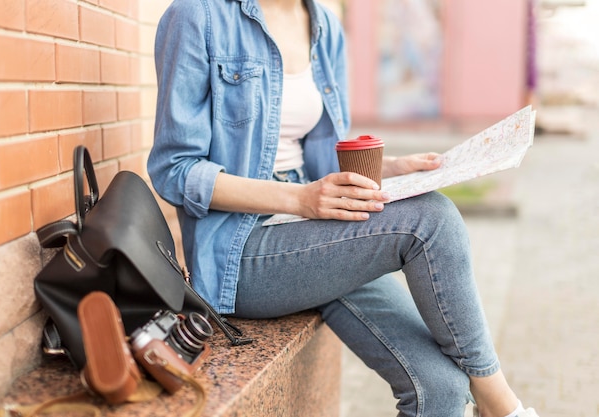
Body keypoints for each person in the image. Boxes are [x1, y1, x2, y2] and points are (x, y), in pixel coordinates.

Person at [147, 1, 540, 416]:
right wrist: (299, 199)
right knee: (431, 220)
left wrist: (387, 170)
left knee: (439, 387)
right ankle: (500, 403)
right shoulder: (198, 16)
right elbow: (175, 170)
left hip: (311, 228)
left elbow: (318, 164)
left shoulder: (326, 27)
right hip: (238, 251)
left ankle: (486, 397)